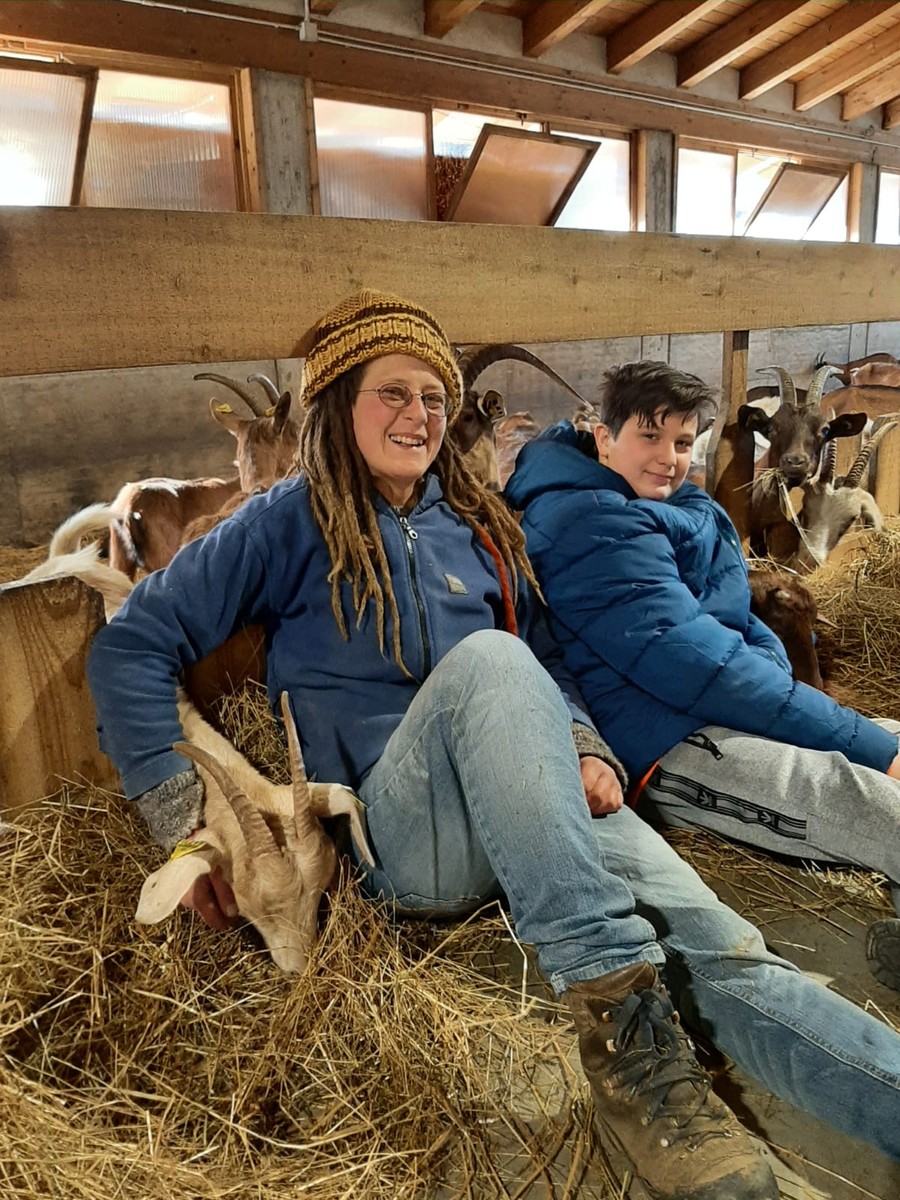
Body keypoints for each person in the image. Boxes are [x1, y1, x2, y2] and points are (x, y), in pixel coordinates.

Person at [87, 293, 900, 1198]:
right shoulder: (287, 519)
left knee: (723, 946)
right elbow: (129, 645)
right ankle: (627, 1039)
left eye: (433, 397)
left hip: (534, 794)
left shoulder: (477, 524)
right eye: (392, 393)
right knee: (487, 659)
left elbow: (546, 658)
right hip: (406, 831)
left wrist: (585, 744)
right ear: (339, 408)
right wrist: (178, 819)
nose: (419, 415)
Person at [505, 359, 900, 996]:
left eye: (683, 443)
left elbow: (734, 623)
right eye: (649, 437)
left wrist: (806, 694)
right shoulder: (585, 524)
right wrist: (872, 748)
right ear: (603, 438)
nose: (669, 458)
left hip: (720, 697)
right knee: (841, 786)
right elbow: (696, 662)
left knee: (885, 735)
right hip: (666, 738)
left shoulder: (671, 506)